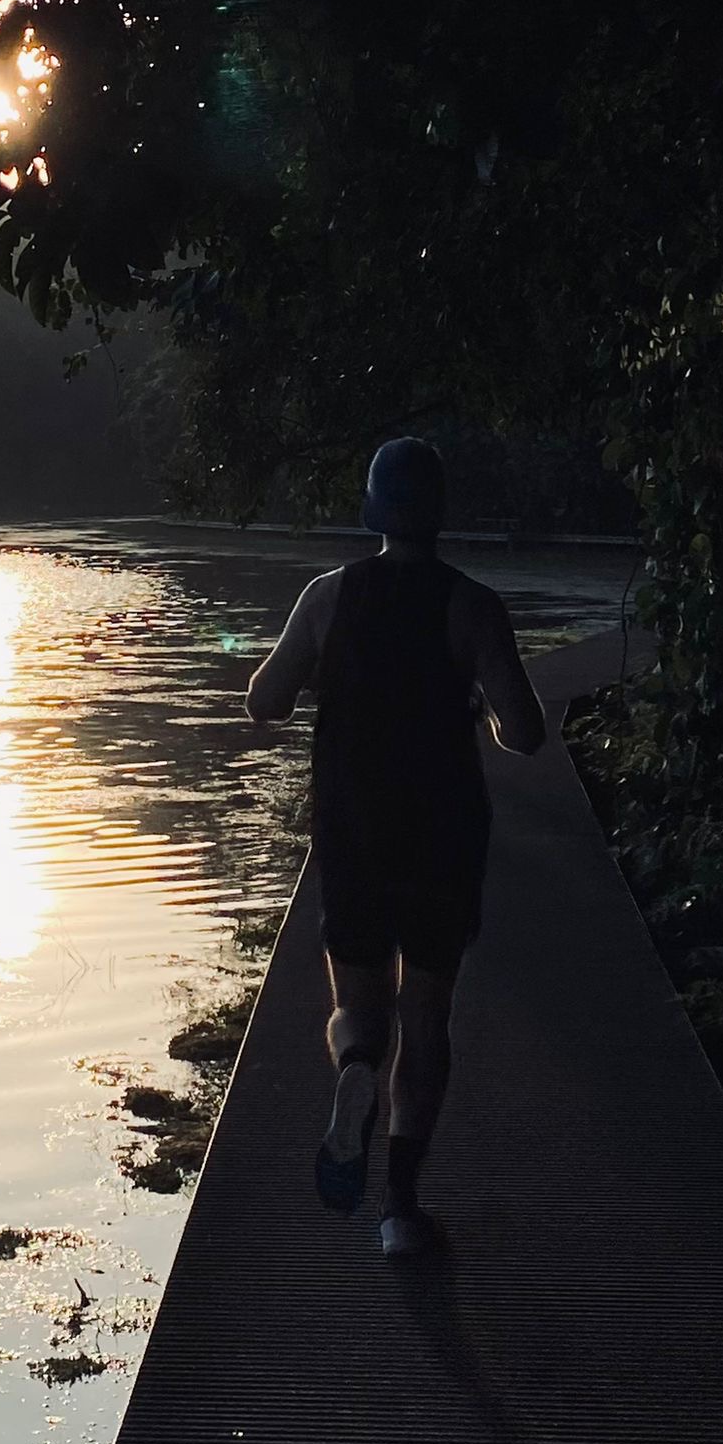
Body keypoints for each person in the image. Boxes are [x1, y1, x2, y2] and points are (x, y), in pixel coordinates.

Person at [245, 438, 546, 1255]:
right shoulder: (472, 606)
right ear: (441, 513)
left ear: (371, 510)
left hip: (354, 829)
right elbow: (526, 733)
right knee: (428, 1015)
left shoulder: (327, 596)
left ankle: (355, 1071)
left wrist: (316, 674)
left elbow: (264, 702)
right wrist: (476, 698)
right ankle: (400, 1210)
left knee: (360, 1004)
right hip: (444, 835)